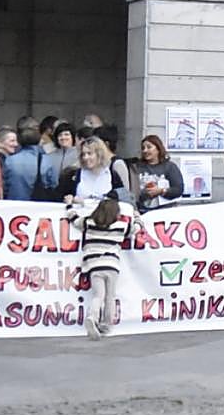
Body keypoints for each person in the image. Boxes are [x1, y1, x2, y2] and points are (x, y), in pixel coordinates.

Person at [65, 197, 143, 340]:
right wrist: (137, 216)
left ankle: (92, 316)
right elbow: (137, 228)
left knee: (98, 295)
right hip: (112, 265)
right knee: (110, 297)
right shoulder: (121, 226)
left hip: (93, 265)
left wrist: (69, 205)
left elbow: (73, 218)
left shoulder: (88, 223)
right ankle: (106, 325)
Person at [2, 117, 57, 201]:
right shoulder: (47, 160)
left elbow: (4, 186)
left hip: (14, 207)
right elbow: (53, 185)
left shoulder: (10, 160)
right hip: (40, 207)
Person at [57, 137, 126, 204]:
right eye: (83, 154)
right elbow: (61, 198)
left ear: (99, 154)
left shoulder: (112, 175)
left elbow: (123, 198)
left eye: (89, 153)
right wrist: (70, 199)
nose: (85, 157)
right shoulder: (73, 175)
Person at [136, 135, 185, 210]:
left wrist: (161, 191)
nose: (145, 150)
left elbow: (178, 189)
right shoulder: (137, 167)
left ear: (158, 149)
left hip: (166, 210)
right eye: (143, 148)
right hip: (142, 210)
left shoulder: (170, 166)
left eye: (149, 147)